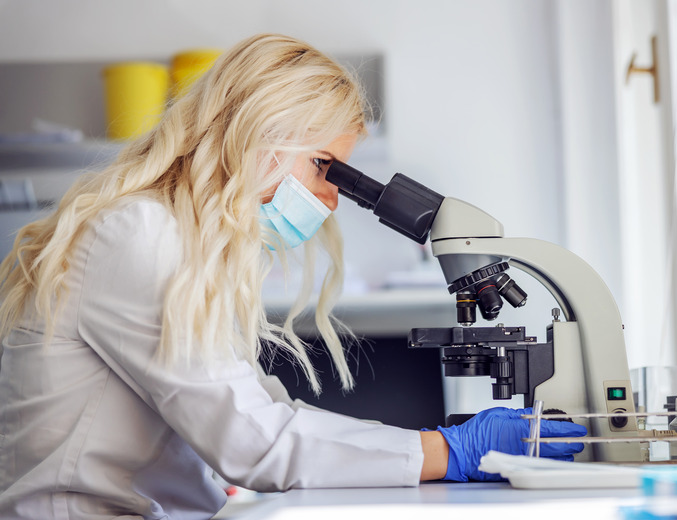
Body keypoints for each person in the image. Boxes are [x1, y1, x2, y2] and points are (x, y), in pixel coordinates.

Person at [0, 34, 586, 519]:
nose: (332, 201)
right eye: (325, 169)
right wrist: (449, 451)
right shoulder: (139, 235)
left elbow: (261, 414)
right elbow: (255, 443)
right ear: (259, 132)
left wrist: (431, 449)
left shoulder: (174, 240)